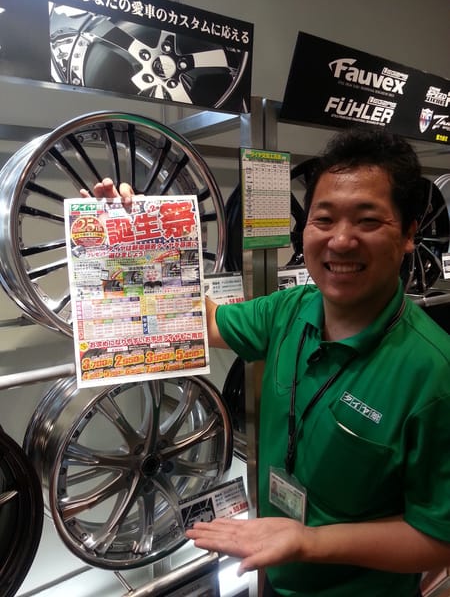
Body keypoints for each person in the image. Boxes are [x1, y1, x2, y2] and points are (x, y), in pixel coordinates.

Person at [86, 127, 450, 597]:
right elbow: (202, 320)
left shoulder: (434, 374)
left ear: (408, 234)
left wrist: (308, 542)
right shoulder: (287, 310)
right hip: (274, 571)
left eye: (367, 221)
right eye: (324, 219)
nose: (341, 241)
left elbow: (438, 539)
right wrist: (133, 242)